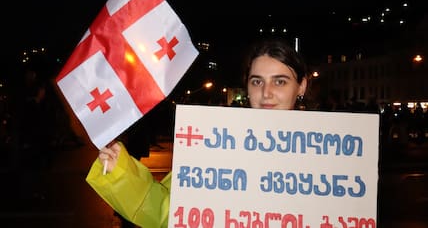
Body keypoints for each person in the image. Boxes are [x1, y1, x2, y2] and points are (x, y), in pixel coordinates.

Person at [86, 37, 309, 228]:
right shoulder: (217, 140)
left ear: (301, 86)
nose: (266, 93)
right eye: (257, 81)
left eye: (280, 81)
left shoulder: (333, 153)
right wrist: (121, 174)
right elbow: (168, 211)